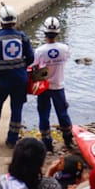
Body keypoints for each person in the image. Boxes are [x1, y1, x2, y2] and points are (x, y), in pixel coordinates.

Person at [0, 4, 34, 148]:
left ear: (1, 21)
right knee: (17, 109)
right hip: (20, 80)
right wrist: (21, 67)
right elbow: (31, 57)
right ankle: (12, 140)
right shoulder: (22, 37)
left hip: (1, 80)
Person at [34, 16, 73, 151]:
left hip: (44, 88)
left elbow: (34, 67)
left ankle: (47, 142)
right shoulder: (64, 49)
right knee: (62, 113)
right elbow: (66, 59)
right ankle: (68, 139)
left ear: (44, 33)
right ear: (58, 32)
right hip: (58, 86)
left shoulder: (39, 51)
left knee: (44, 114)